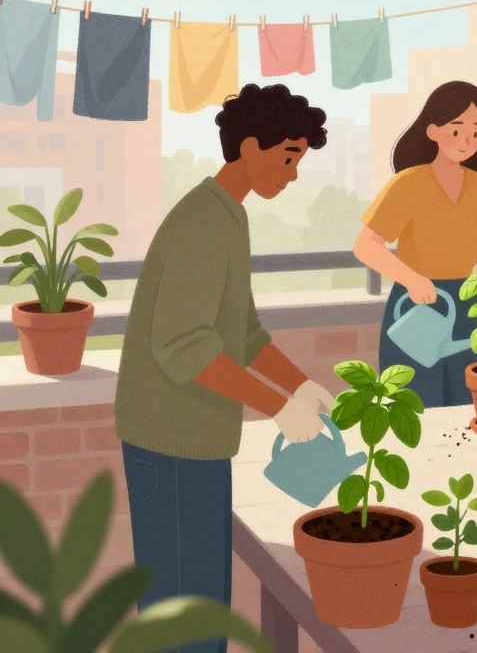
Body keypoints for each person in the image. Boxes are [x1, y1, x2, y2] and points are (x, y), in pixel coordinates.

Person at [115, 83, 335, 651]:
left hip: (200, 438)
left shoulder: (229, 215)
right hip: (171, 441)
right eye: (288, 158)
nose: (292, 175)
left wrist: (301, 386)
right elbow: (183, 345)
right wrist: (279, 406)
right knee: (183, 609)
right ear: (251, 147)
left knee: (205, 602)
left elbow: (244, 332)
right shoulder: (203, 223)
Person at [354, 81, 477, 408]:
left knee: (467, 403)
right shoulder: (408, 183)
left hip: (468, 306)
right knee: (413, 405)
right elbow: (366, 245)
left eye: (476, 132)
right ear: (433, 131)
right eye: (457, 130)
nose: (467, 140)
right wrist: (412, 280)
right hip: (415, 305)